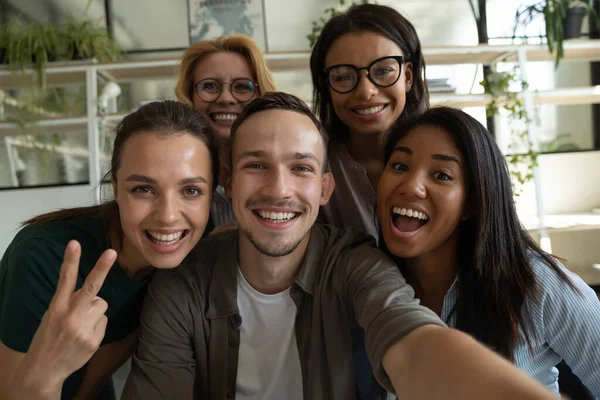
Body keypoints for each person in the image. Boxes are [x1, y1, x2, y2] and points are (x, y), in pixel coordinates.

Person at [122, 92, 556, 400]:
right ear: (229, 183)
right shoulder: (183, 284)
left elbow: (414, 344)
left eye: (301, 168)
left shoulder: (355, 263)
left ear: (325, 188)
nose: (279, 189)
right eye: (256, 165)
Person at [0, 100, 219, 400]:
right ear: (115, 188)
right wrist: (49, 367)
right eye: (143, 189)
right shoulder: (44, 258)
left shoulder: (201, 252)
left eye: (191, 191)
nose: (168, 215)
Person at [377, 106, 600, 397]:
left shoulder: (537, 284)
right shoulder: (370, 282)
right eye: (400, 166)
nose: (411, 186)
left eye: (441, 175)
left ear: (472, 203)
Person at [310, 3, 429, 241]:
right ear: (326, 87)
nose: (366, 91)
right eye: (343, 76)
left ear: (407, 76)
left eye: (383, 70)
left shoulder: (453, 152)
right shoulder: (312, 165)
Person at [175, 34, 277, 233]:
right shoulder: (172, 171)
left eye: (242, 86)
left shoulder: (290, 172)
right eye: (210, 86)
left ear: (262, 95)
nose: (226, 98)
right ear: (190, 96)